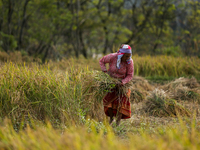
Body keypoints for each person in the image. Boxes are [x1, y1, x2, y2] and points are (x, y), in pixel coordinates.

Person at [99, 44, 134, 126]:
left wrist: (122, 82)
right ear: (121, 54)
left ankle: (118, 122)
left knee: (120, 104)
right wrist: (105, 72)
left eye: (129, 56)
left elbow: (130, 75)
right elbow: (101, 61)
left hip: (122, 84)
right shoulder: (113, 57)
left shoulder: (129, 62)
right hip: (110, 82)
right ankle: (111, 118)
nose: (127, 58)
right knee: (109, 103)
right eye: (125, 56)